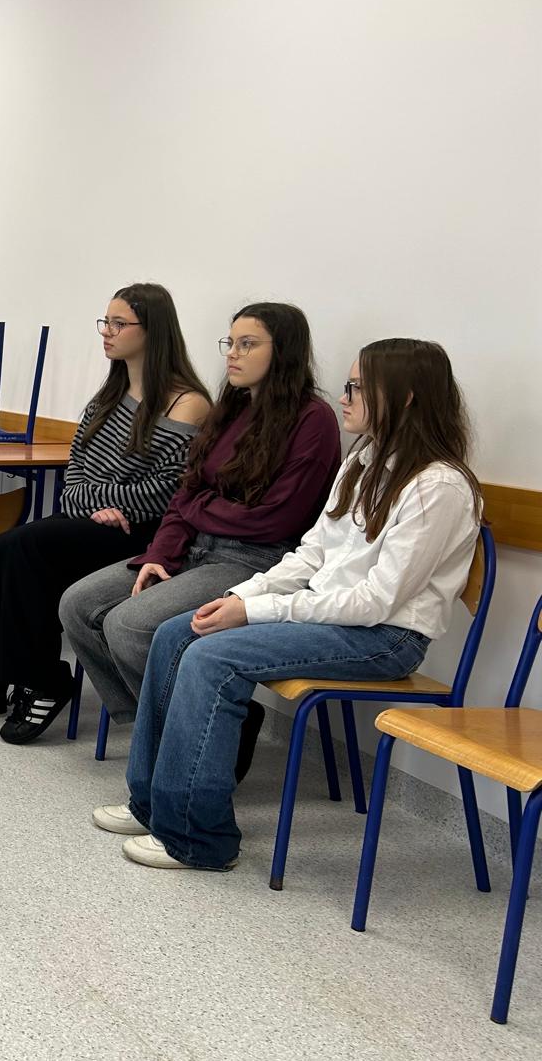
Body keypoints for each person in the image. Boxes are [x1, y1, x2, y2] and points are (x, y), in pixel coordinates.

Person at [96, 339, 482, 871]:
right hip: (333, 616)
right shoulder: (365, 460)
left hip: (385, 638)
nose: (344, 397)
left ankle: (197, 839)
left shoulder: (438, 487)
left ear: (407, 396)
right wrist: (241, 595)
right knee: (175, 634)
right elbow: (310, 555)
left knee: (212, 658)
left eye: (357, 387)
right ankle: (152, 805)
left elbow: (375, 602)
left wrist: (257, 612)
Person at [59, 303, 341, 773]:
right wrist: (160, 554)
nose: (232, 354)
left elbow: (275, 520)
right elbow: (185, 494)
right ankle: (172, 731)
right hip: (193, 548)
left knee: (128, 625)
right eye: (230, 343)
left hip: (255, 560)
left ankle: (190, 742)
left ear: (284, 351)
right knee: (78, 605)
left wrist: (199, 507)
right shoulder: (232, 408)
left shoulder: (314, 419)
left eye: (247, 344)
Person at [0, 283, 211, 741]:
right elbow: (75, 471)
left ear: (153, 331)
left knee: (28, 551)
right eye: (106, 322)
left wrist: (109, 505)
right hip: (89, 519)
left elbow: (169, 492)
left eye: (119, 323)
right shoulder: (108, 396)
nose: (107, 332)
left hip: (140, 533)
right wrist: (98, 504)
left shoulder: (189, 404)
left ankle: (42, 682)